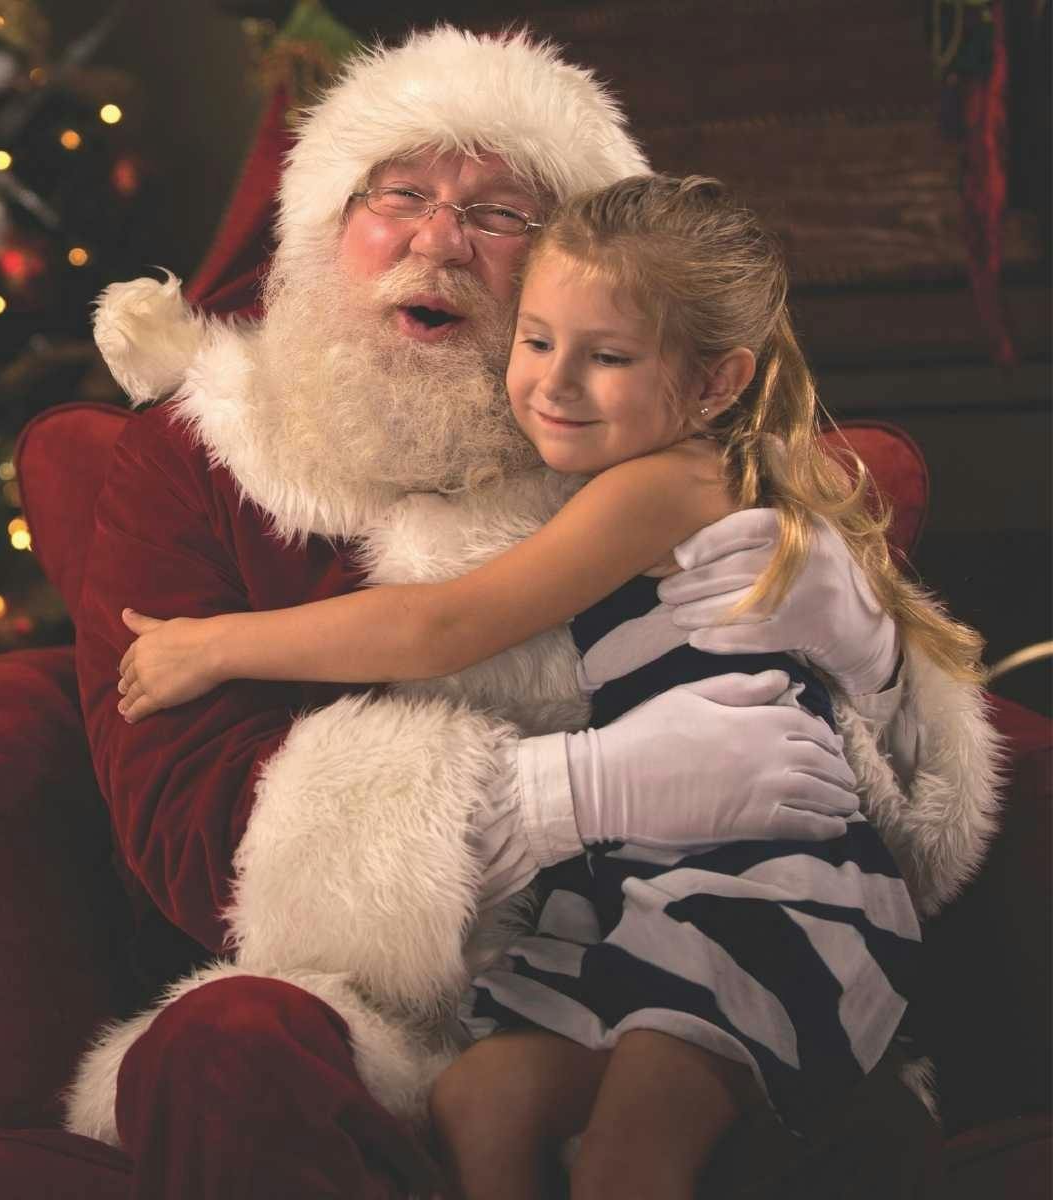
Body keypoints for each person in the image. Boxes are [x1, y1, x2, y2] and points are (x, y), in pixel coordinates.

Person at [66, 26, 1000, 1200]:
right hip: (389, 997)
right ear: (320, 230)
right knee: (241, 1056)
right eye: (397, 191)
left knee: (737, 1136)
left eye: (500, 214)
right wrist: (568, 792)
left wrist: (857, 647)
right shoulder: (202, 457)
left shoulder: (643, 450)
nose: (438, 239)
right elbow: (182, 828)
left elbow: (893, 782)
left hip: (679, 935)